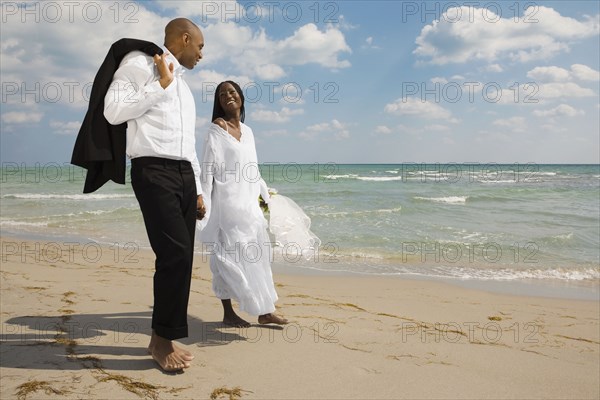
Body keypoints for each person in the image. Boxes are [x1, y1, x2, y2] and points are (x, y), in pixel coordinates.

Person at [103, 18, 206, 372]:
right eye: (200, 47)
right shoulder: (139, 63)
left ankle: (167, 334)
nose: (201, 55)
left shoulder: (187, 89)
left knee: (184, 255)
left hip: (183, 175)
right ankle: (160, 340)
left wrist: (199, 190)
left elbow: (188, 144)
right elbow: (113, 111)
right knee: (174, 252)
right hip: (153, 170)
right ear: (185, 38)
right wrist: (160, 84)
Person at [198, 81, 288, 328]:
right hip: (226, 204)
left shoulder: (248, 131)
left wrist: (264, 193)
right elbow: (207, 167)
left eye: (232, 92)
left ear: (241, 98)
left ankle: (265, 311)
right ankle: (228, 313)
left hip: (249, 205)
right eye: (222, 94)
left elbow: (253, 167)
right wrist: (201, 197)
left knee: (258, 257)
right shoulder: (217, 128)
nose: (228, 96)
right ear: (218, 102)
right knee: (226, 258)